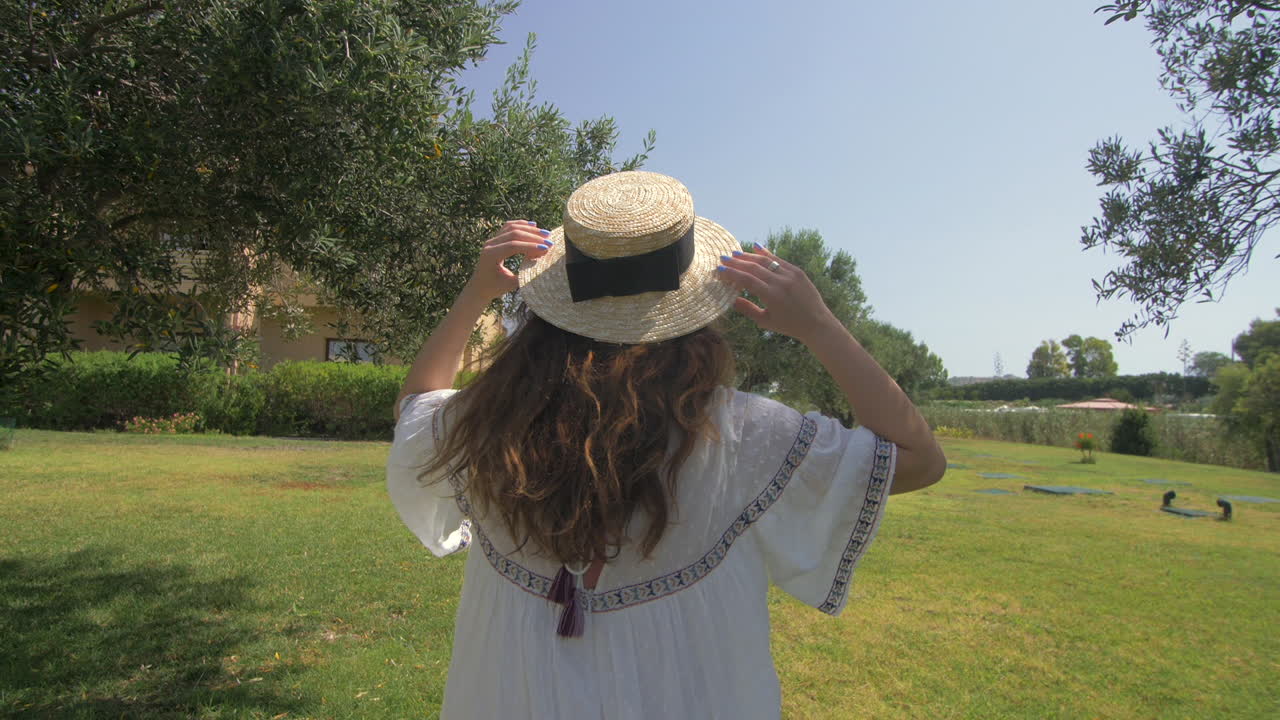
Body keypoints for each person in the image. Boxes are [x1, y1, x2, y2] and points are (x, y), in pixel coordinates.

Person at [386, 171, 945, 719]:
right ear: (694, 313)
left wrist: (475, 294)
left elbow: (415, 405)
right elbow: (920, 459)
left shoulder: (487, 425)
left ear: (552, 304)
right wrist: (821, 325)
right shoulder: (743, 434)